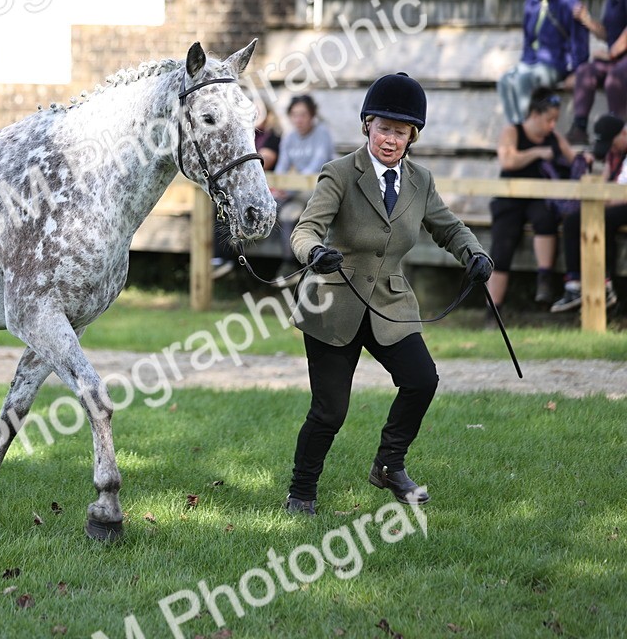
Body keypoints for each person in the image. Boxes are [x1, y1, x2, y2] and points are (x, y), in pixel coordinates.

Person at [284, 72, 493, 516]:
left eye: (400, 132)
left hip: (389, 304)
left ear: (412, 135)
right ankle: (301, 491)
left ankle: (388, 465)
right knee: (330, 412)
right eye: (383, 129)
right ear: (367, 126)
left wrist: (474, 254)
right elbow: (305, 229)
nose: (390, 140)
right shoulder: (339, 173)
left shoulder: (421, 181)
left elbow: (449, 228)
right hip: (332, 304)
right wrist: (315, 252)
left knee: (421, 380)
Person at [488, 90, 583, 310]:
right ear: (535, 114)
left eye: (555, 120)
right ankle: (493, 311)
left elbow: (573, 160)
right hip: (510, 198)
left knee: (545, 218)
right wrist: (537, 152)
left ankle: (545, 279)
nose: (552, 125)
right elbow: (508, 160)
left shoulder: (554, 138)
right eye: (549, 119)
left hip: (541, 199)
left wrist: (582, 160)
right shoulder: (512, 131)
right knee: (502, 247)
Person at [497, 0, 588, 125]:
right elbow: (527, 39)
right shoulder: (530, 3)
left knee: (524, 80)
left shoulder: (566, 2)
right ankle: (517, 126)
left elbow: (579, 38)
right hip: (530, 62)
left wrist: (578, 70)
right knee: (505, 80)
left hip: (555, 64)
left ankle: (527, 130)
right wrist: (524, 62)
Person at [551, 114, 627, 312]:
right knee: (573, 221)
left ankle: (604, 282)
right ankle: (574, 283)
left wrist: (596, 202)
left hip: (622, 200)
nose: (610, 148)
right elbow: (605, 182)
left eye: (612, 143)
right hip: (615, 200)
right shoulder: (614, 152)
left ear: (624, 134)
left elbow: (621, 194)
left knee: (599, 218)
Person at [211, 101, 281, 277]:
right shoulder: (241, 136)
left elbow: (264, 161)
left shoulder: (273, 137)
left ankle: (230, 258)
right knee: (219, 208)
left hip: (265, 191)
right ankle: (222, 258)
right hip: (239, 189)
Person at [566, 0, 627, 145]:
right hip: (614, 57)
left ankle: (617, 132)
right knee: (585, 71)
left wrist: (611, 53)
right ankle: (579, 128)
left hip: (621, 59)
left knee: (614, 78)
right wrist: (586, 20)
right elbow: (606, 33)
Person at [272, 94, 335, 283]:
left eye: (303, 115)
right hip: (298, 190)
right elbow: (282, 166)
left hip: (321, 189)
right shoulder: (289, 137)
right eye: (295, 115)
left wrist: (287, 188)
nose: (299, 120)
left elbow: (316, 167)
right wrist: (278, 185)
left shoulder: (322, 133)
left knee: (292, 213)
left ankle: (306, 266)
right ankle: (289, 264)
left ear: (312, 115)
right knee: (285, 213)